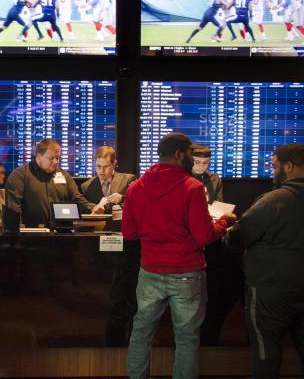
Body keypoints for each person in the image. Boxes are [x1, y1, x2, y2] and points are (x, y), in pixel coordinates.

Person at [123, 132, 236, 379]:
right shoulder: (192, 188)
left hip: (150, 271)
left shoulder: (135, 187)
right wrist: (225, 221)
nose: (192, 159)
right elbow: (204, 236)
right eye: (190, 154)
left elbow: (129, 233)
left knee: (141, 333)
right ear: (179, 154)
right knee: (186, 338)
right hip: (186, 273)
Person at [232, 143, 304, 378]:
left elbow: (241, 235)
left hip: (269, 292)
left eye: (275, 167)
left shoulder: (272, 201)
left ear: (289, 167)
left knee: (266, 357)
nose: (273, 172)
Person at [79, 146, 137, 347]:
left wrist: (121, 199)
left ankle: (127, 339)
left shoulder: (128, 180)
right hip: (100, 245)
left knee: (127, 295)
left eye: (106, 166)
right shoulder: (87, 187)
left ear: (115, 164)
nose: (101, 171)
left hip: (126, 244)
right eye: (98, 167)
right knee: (105, 295)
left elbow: (137, 202)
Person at [191, 145, 243, 346]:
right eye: (197, 162)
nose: (201, 167)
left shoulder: (215, 179)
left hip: (210, 231)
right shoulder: (183, 177)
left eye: (205, 163)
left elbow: (219, 204)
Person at [3, 139, 94, 232]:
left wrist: (93, 208)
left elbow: (77, 198)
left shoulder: (64, 175)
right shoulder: (20, 176)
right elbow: (14, 211)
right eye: (51, 158)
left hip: (61, 236)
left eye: (57, 158)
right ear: (38, 157)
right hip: (31, 237)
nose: (55, 162)